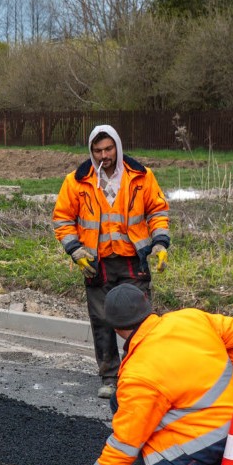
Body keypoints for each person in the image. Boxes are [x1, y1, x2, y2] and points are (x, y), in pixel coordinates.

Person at [72, 285, 233, 465]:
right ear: (147, 306)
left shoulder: (140, 373)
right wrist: (221, 370)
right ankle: (220, 459)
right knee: (121, 399)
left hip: (208, 440)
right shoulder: (190, 317)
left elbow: (126, 442)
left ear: (116, 328)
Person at [53, 125, 171, 399]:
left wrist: (161, 243)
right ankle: (109, 376)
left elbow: (157, 210)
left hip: (132, 260)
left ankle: (142, 375)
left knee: (140, 320)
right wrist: (74, 250)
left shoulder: (141, 176)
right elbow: (62, 218)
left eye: (108, 149)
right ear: (90, 152)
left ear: (117, 146)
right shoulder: (77, 180)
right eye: (97, 151)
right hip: (97, 262)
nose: (103, 155)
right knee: (102, 320)